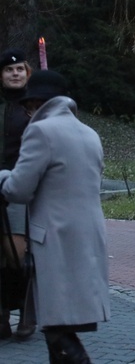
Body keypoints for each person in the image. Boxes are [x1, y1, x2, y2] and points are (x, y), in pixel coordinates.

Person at [0, 70, 110, 363]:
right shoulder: (90, 133)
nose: (27, 112)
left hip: (54, 238)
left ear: (36, 103)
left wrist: (2, 177)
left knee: (58, 327)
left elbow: (19, 188)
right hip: (87, 236)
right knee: (61, 326)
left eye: (27, 106)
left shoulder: (41, 131)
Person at [0, 50, 35, 339]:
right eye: (9, 69)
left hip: (21, 184)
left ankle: (26, 311)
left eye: (19, 69)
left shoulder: (35, 106)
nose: (14, 73)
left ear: (27, 72)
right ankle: (2, 314)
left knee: (17, 253)